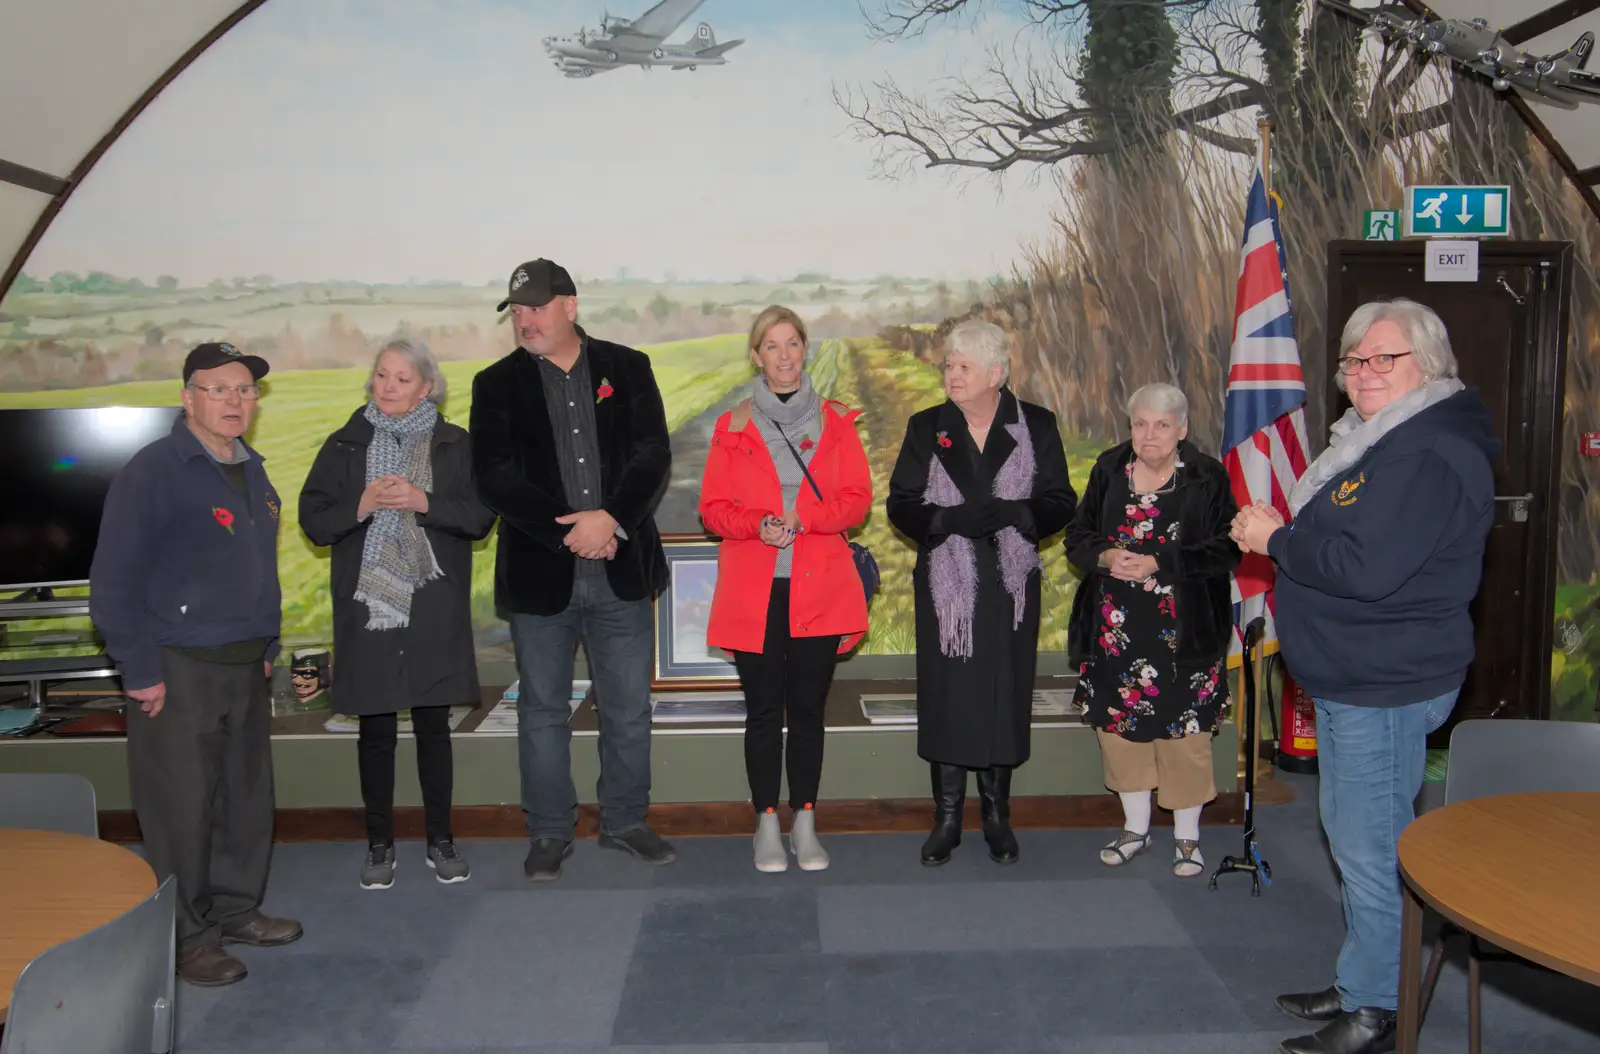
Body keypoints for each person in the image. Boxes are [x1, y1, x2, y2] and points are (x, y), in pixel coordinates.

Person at [1232, 299, 1495, 1054]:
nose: (1364, 373)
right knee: (1353, 837)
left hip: (1387, 680)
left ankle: (1379, 1010)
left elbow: (1367, 568)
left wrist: (1274, 538)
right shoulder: (1389, 440)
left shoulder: (1426, 451)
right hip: (1360, 675)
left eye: (1385, 358)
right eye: (1354, 360)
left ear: (1428, 365)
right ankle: (1362, 980)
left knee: (1371, 849)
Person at [89, 342, 301, 987]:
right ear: (188, 398)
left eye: (244, 391)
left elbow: (256, 572)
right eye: (219, 389)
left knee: (243, 799)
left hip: (242, 663)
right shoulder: (152, 472)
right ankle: (187, 938)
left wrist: (265, 647)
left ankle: (236, 910)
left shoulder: (252, 470)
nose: (235, 401)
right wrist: (138, 668)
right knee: (180, 808)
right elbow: (114, 580)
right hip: (176, 667)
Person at [470, 258, 675, 882]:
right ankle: (550, 832)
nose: (526, 321)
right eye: (518, 312)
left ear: (570, 306)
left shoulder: (627, 367)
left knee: (628, 707)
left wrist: (610, 521)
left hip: (621, 570)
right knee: (541, 711)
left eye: (536, 308)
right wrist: (576, 533)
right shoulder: (495, 384)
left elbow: (651, 455)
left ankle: (625, 822)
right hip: (541, 580)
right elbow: (496, 478)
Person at [299, 337, 496, 890]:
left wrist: (422, 502)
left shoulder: (454, 445)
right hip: (370, 606)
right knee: (376, 731)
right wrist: (361, 506)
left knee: (435, 728)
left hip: (432, 602)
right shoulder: (344, 444)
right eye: (382, 375)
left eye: (402, 378)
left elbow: (480, 516)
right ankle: (379, 845)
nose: (388, 386)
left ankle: (441, 840)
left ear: (426, 387)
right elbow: (315, 521)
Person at [886, 319, 1077, 866]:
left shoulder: (1034, 424)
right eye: (948, 364)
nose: (950, 374)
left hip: (1009, 587)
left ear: (996, 373)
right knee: (948, 699)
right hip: (948, 590)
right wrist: (946, 519)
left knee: (1002, 697)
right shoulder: (928, 427)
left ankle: (996, 815)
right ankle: (946, 818)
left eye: (963, 366)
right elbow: (901, 503)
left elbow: (1061, 500)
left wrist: (1018, 513)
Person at [699, 306, 872, 873]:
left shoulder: (838, 421)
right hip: (756, 589)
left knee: (808, 710)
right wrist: (759, 524)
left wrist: (803, 516)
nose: (784, 355)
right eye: (771, 346)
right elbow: (714, 510)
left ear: (804, 349)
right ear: (756, 355)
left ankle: (806, 820)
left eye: (792, 343)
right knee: (763, 711)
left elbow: (856, 501)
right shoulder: (732, 427)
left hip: (819, 586)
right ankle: (766, 822)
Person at [1065, 383, 1239, 878]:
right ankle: (1135, 830)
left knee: (1185, 736)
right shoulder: (1108, 467)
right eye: (1140, 423)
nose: (1149, 435)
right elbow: (1078, 536)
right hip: (1115, 633)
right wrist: (1104, 556)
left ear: (1182, 429)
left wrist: (1158, 562)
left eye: (1162, 425)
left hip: (1184, 633)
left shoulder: (1207, 476)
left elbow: (1227, 549)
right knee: (1120, 732)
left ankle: (1187, 839)